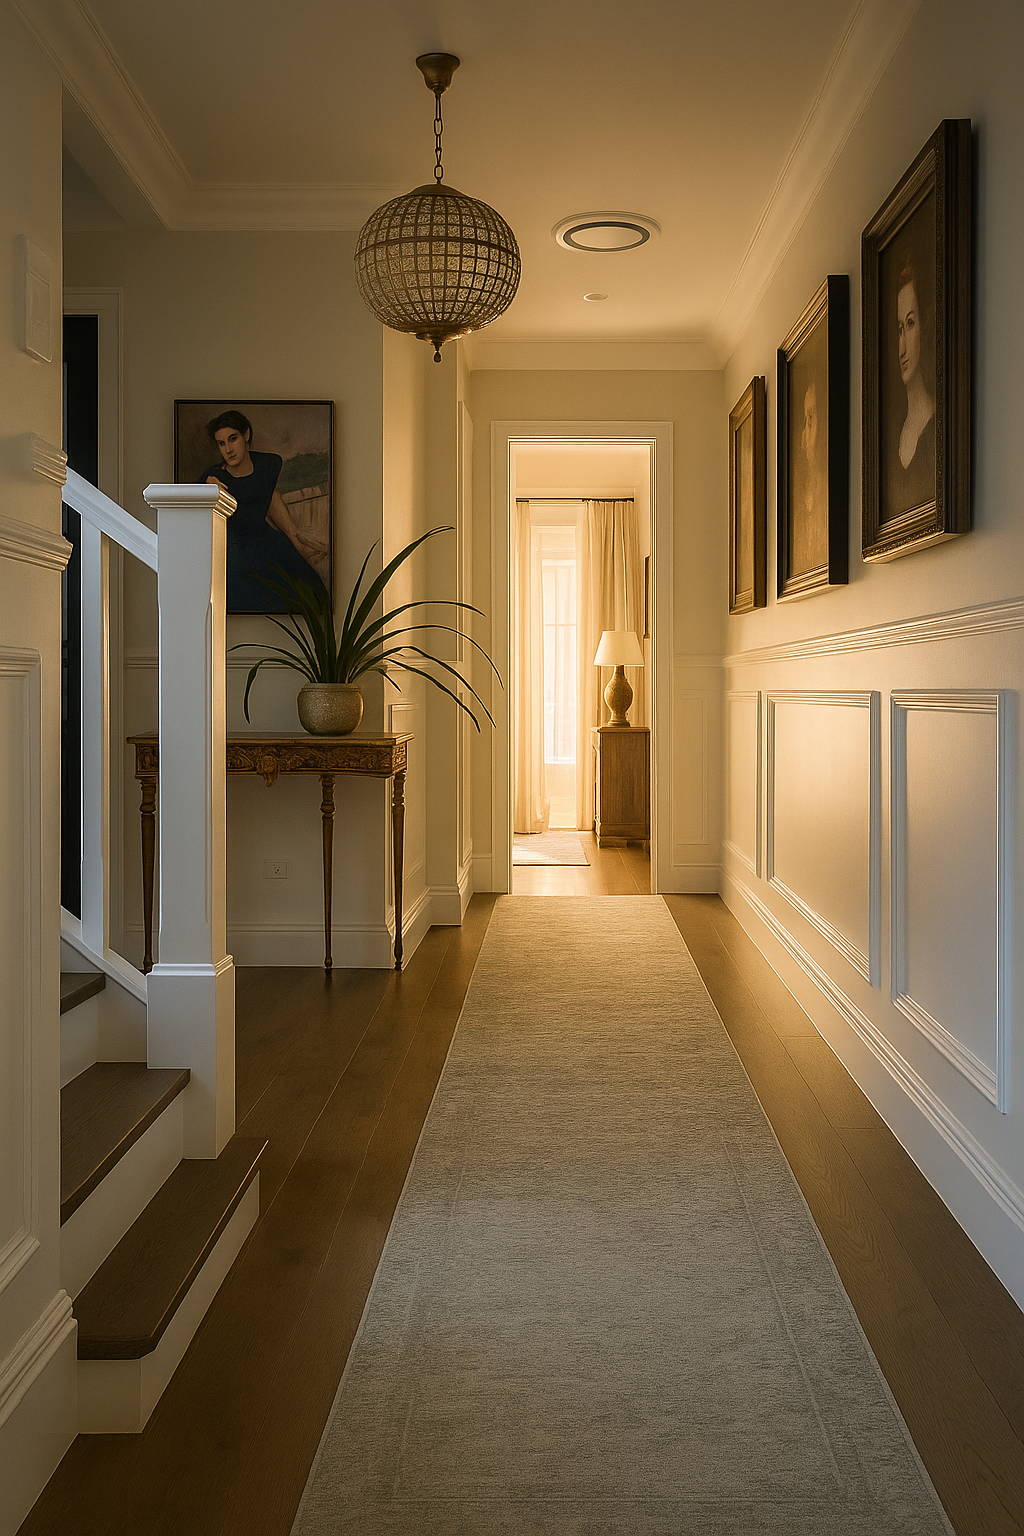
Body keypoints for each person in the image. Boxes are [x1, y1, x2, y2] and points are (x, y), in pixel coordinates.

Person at [202, 410, 329, 612]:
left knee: (311, 592)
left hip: (267, 541)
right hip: (238, 551)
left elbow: (272, 500)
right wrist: (207, 490)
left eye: (232, 439)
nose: (228, 449)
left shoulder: (267, 464)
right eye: (221, 443)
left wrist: (297, 542)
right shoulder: (213, 478)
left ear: (246, 435)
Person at [888, 261, 935, 514]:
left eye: (910, 324)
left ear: (924, 327)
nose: (902, 347)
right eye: (899, 329)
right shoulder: (894, 430)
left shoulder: (935, 426)